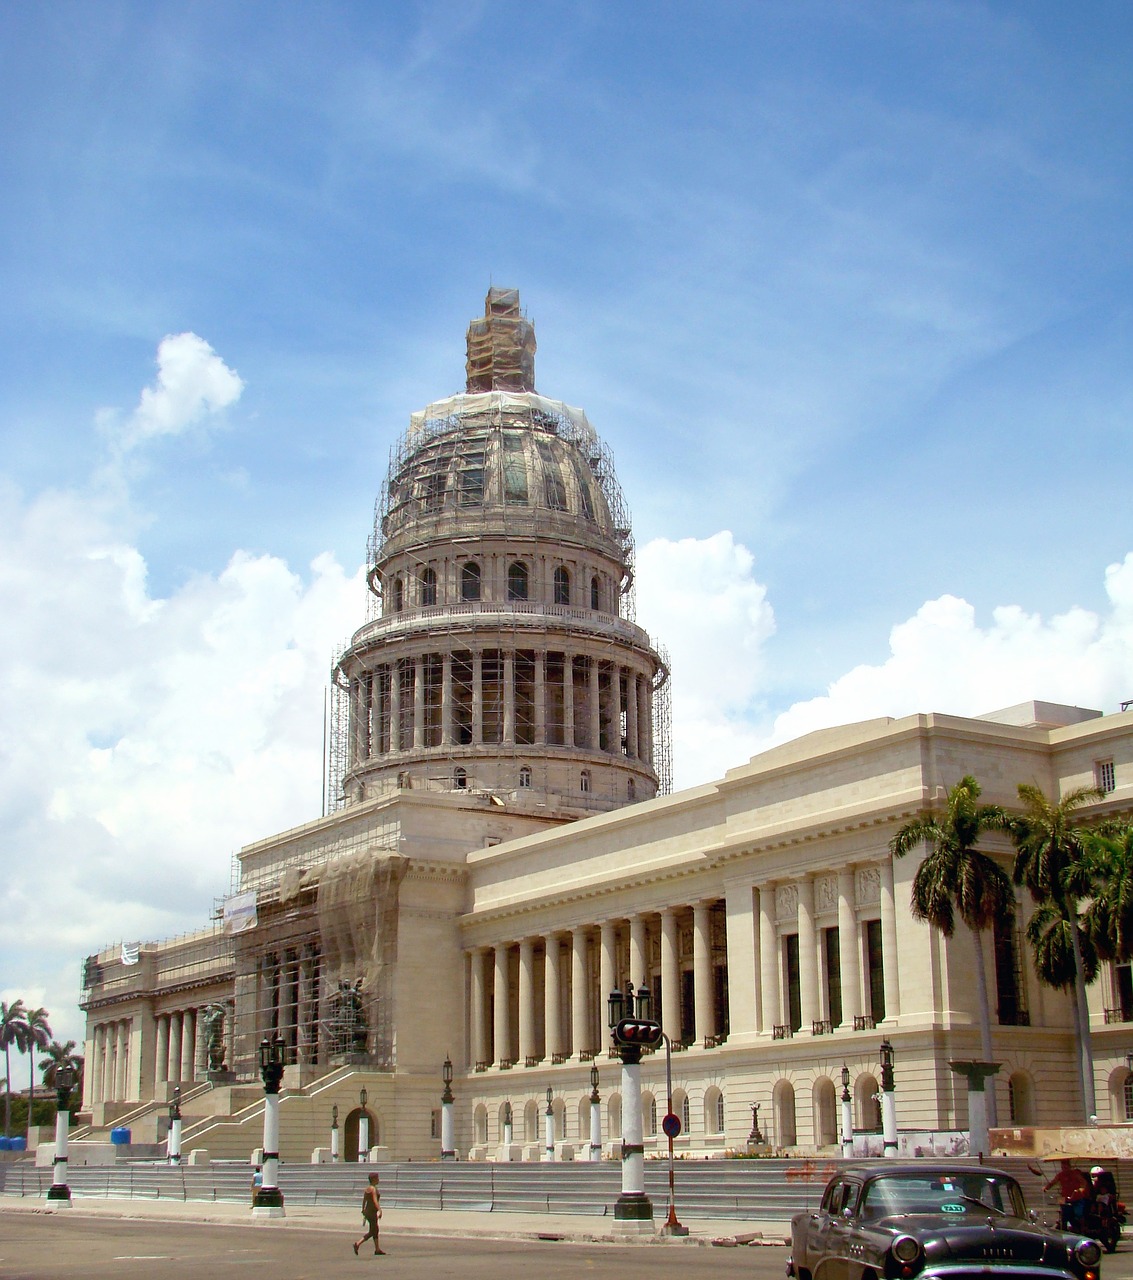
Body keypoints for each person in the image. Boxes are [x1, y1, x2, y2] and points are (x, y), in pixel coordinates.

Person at [1045, 1158, 1090, 1229]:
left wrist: (1081, 1189)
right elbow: (1053, 1182)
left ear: (1069, 1167)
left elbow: (1084, 1182)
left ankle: (1083, 1228)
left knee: (1079, 1213)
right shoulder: (1060, 1175)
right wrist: (1046, 1188)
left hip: (1076, 1197)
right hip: (1065, 1198)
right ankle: (1064, 1229)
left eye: (1065, 1167)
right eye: (1062, 1167)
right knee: (1064, 1215)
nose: (1064, 1169)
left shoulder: (1075, 1174)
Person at [354, 1173, 383, 1256]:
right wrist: (380, 1210)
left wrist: (363, 1210)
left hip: (368, 1211)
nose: (378, 1179)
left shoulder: (367, 1189)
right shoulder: (373, 1189)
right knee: (372, 1231)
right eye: (377, 1178)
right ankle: (358, 1243)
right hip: (372, 1212)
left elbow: (364, 1200)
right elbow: (375, 1200)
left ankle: (377, 1249)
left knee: (375, 1229)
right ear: (373, 1179)